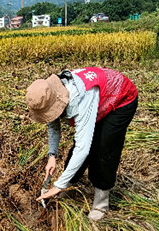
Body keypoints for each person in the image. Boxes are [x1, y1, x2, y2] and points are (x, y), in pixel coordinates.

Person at [26, 67, 138, 221]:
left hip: (120, 99)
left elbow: (83, 148)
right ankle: (70, 184)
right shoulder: (51, 93)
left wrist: (58, 185)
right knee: (84, 144)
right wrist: (52, 155)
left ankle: (101, 202)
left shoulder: (80, 96)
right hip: (98, 99)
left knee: (103, 148)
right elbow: (53, 126)